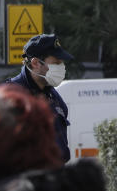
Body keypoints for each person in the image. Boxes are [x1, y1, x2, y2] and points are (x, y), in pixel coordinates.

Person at [7, 33, 73, 162]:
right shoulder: (10, 96)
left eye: (62, 63)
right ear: (36, 63)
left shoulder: (55, 98)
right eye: (56, 63)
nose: (62, 68)